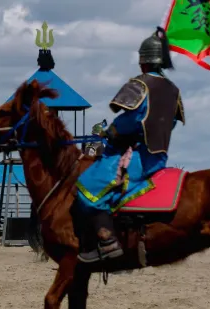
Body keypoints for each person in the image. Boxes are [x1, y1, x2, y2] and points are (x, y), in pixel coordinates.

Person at [76, 26, 185, 263]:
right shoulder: (173, 90)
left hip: (139, 158)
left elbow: (130, 120)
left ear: (143, 63)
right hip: (159, 157)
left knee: (86, 187)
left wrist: (111, 133)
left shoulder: (140, 84)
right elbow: (170, 123)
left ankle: (107, 240)